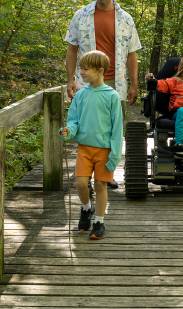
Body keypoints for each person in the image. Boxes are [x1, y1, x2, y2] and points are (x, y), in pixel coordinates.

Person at [64, 0, 141, 189]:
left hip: (115, 84)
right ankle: (84, 173)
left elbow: (132, 53)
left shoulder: (126, 19)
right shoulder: (81, 15)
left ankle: (107, 173)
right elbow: (71, 49)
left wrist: (134, 85)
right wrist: (70, 79)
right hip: (86, 83)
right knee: (84, 126)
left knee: (112, 129)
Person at [59, 50, 123, 240]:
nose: (82, 73)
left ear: (100, 70)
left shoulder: (111, 96)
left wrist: (115, 154)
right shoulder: (80, 95)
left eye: (86, 69)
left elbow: (117, 127)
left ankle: (99, 221)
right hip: (84, 148)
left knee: (100, 184)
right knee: (80, 183)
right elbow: (73, 121)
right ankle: (87, 208)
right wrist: (68, 131)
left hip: (104, 149)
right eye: (81, 69)